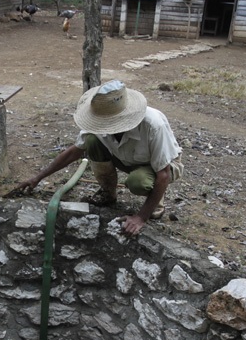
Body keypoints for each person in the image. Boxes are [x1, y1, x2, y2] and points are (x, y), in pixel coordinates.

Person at [13, 80, 183, 236]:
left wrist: (141, 217)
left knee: (138, 182)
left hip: (159, 166)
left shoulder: (152, 124)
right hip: (126, 159)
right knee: (92, 141)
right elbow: (74, 151)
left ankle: (155, 202)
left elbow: (164, 174)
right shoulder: (98, 120)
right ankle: (108, 194)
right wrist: (37, 178)